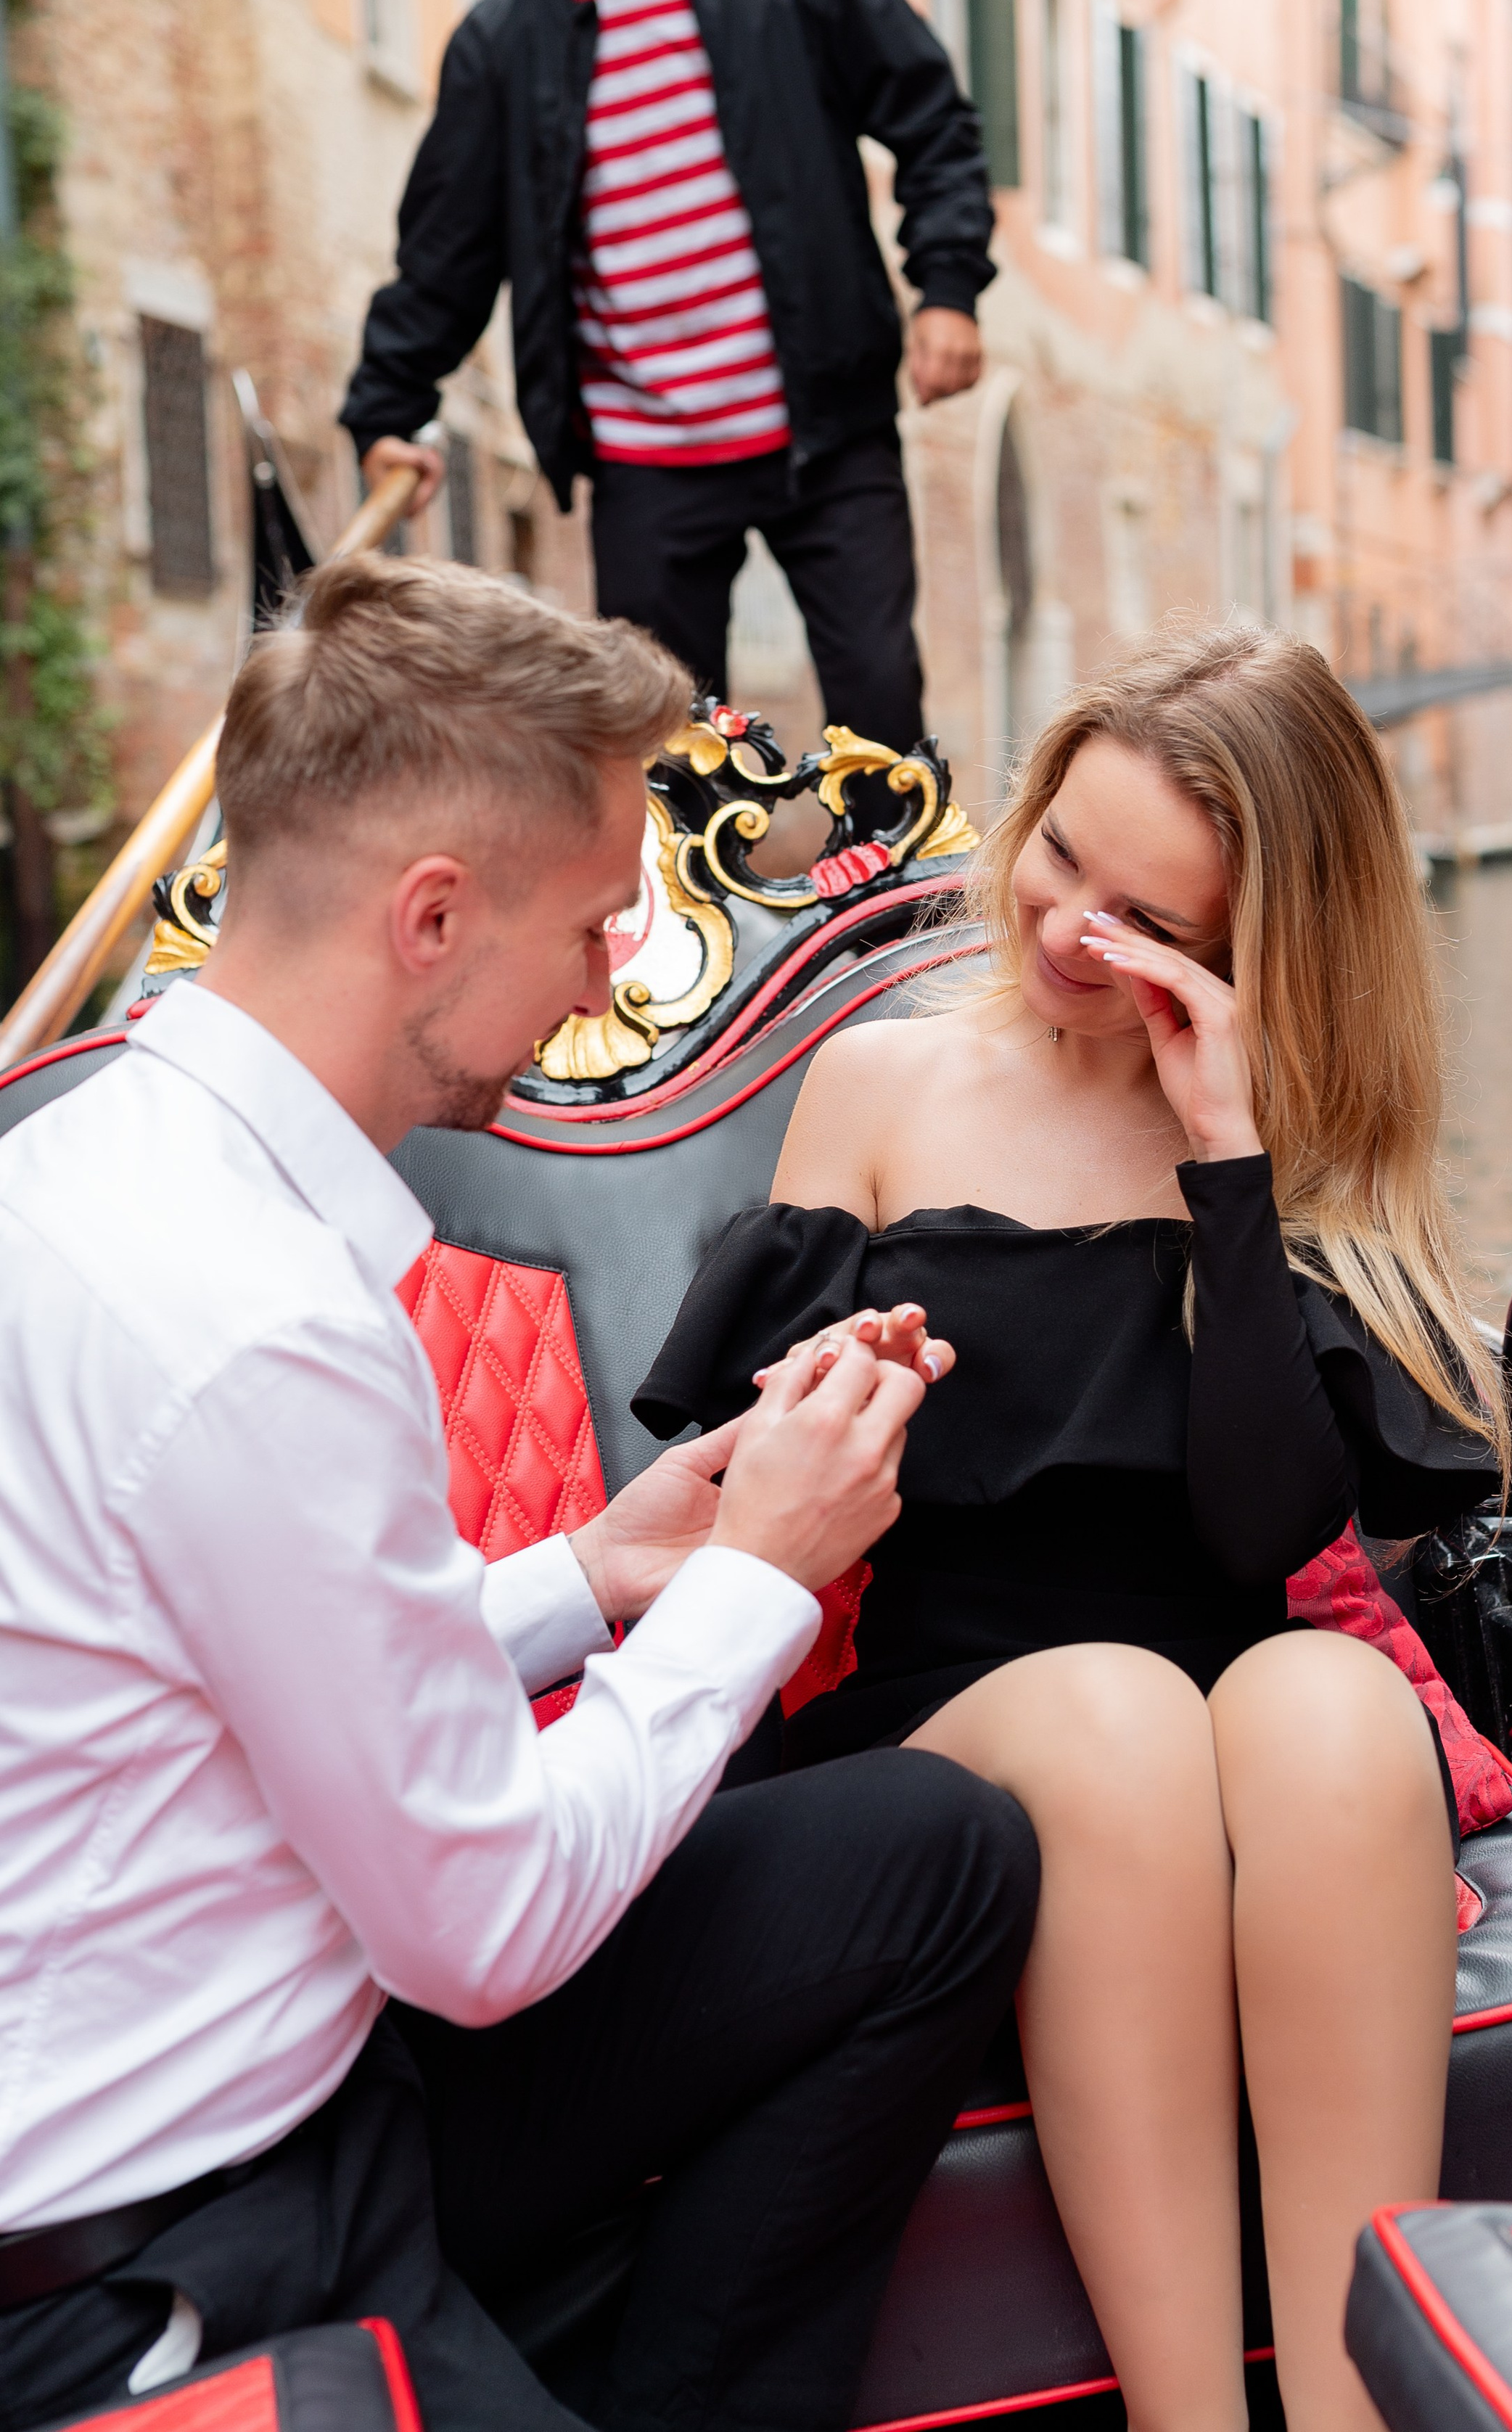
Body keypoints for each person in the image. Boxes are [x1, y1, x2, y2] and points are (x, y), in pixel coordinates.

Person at [0, 555, 1038, 2432]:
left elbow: (254, 1669)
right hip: (158, 2246)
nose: (614, 973)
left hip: (305, 2073)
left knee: (931, 1859)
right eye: (591, 924)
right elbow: (480, 1932)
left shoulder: (102, 1172)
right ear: (430, 918)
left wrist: (604, 1567)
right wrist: (764, 1581)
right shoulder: (254, 1324)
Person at [636, 623, 1509, 2432]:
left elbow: (1269, 1532)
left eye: (1141, 921)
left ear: (1246, 954)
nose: (1060, 929)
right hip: (940, 1723)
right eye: (1056, 857)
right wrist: (829, 1395)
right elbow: (739, 1503)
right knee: (1116, 1711)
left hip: (1224, 1712)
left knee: (1335, 1704)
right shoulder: (879, 1088)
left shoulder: (1299, 1141)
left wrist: (1226, 1163)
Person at [340, 0, 995, 756]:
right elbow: (444, 257)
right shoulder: (501, 46)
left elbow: (935, 124)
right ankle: (698, 929)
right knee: (666, 755)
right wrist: (387, 411)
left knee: (882, 720)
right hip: (644, 461)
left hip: (828, 427)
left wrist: (950, 289)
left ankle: (889, 925)